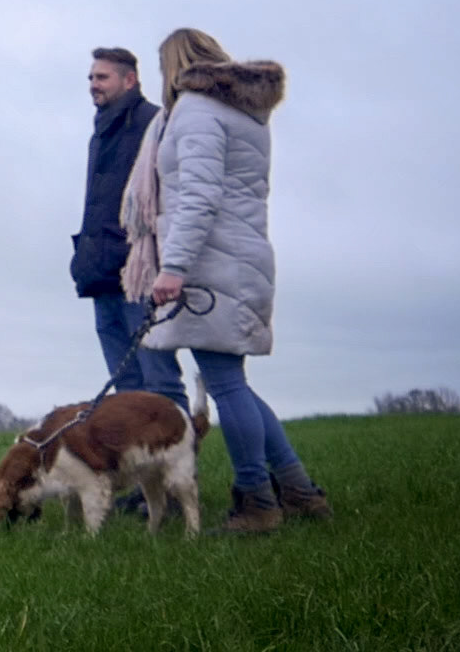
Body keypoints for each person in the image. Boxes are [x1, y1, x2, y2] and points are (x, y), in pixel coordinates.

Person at [127, 27, 331, 533]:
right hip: (237, 259)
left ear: (175, 65)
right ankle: (300, 491)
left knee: (225, 384)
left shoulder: (195, 111)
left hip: (212, 265)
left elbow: (198, 197)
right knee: (231, 381)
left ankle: (257, 502)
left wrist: (172, 268)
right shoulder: (241, 114)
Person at [72, 48, 187, 413]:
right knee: (127, 390)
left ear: (130, 80)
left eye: (101, 77)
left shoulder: (154, 123)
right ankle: (143, 469)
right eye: (91, 78)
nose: (93, 85)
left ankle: (182, 466)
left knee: (161, 382)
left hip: (140, 272)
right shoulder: (100, 132)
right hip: (101, 273)